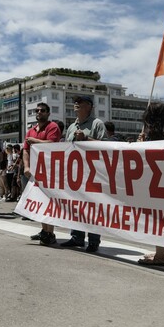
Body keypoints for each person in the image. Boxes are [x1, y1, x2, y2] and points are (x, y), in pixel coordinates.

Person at [60, 95, 106, 252]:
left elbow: (106, 145)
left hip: (92, 173)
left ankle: (93, 240)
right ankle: (76, 237)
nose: (76, 104)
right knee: (76, 206)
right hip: (74, 174)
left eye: (81, 102)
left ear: (90, 107)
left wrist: (86, 137)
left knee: (92, 207)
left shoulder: (97, 124)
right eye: (75, 102)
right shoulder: (72, 127)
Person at [136, 103, 164, 266]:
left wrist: (140, 143)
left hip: (155, 183)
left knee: (158, 219)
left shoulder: (151, 136)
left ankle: (159, 256)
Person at [23, 103, 61, 245]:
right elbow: (25, 150)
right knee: (39, 201)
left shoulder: (53, 127)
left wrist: (35, 141)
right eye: (37, 111)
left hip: (50, 170)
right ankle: (44, 230)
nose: (39, 112)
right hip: (35, 170)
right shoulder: (31, 130)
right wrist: (26, 167)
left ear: (48, 113)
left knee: (49, 202)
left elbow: (53, 144)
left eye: (42, 110)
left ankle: (50, 232)